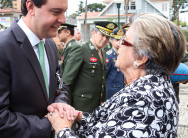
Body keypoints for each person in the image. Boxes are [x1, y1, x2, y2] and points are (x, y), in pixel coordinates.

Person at [47, 13, 186, 137]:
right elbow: (112, 125)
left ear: (140, 57)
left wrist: (63, 129)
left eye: (124, 40)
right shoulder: (149, 88)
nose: (119, 45)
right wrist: (77, 115)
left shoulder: (145, 100)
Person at [0, 0, 76, 138]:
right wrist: (50, 124)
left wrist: (60, 105)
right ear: (31, 7)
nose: (62, 20)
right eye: (56, 12)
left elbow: (58, 86)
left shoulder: (49, 45)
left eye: (64, 12)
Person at [62, 21, 117, 112]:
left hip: (96, 105)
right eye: (102, 35)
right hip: (80, 106)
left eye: (108, 37)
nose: (105, 39)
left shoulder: (102, 51)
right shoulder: (80, 49)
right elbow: (67, 82)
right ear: (93, 33)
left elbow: (102, 78)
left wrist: (102, 100)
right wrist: (67, 108)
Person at [106, 29, 126, 99]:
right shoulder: (109, 56)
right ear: (112, 41)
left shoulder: (124, 55)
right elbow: (104, 75)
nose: (119, 42)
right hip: (111, 91)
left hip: (122, 89)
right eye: (117, 40)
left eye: (121, 40)